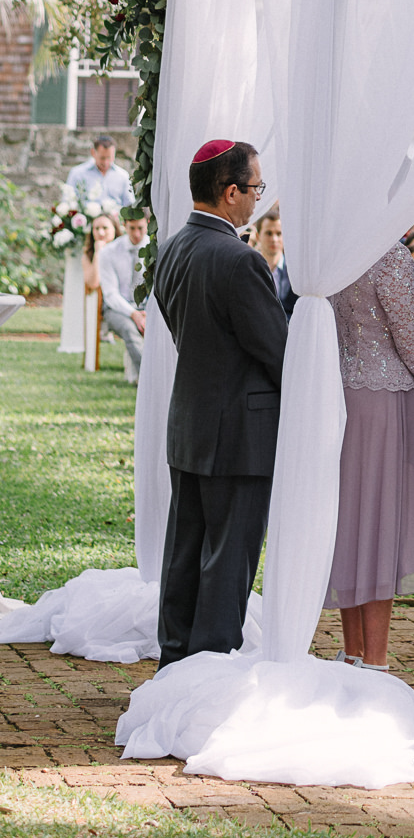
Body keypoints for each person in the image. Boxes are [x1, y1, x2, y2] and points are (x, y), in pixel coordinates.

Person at [151, 138, 287, 668]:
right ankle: (207, 670)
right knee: (229, 559)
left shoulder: (172, 248)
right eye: (254, 189)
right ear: (230, 193)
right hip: (242, 432)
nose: (257, 199)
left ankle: (174, 659)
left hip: (191, 422)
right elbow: (277, 351)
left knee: (185, 553)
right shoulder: (240, 261)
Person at [325, 242, 414, 670]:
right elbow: (411, 338)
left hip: (342, 395)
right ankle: (375, 659)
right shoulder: (388, 253)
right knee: (378, 521)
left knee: (351, 520)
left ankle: (354, 651)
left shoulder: (336, 248)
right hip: (386, 398)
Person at [96, 208, 149, 382]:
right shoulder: (109, 252)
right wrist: (133, 314)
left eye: (140, 228)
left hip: (147, 308)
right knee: (129, 329)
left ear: (147, 225)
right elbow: (110, 294)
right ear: (125, 226)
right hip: (117, 309)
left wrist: (146, 313)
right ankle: (148, 380)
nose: (136, 233)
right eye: (132, 228)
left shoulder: (154, 249)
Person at [249, 202, 296, 318]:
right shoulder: (250, 268)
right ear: (258, 236)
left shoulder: (294, 270)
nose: (274, 239)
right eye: (268, 233)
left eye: (279, 234)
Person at [65, 134, 134, 210]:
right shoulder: (77, 173)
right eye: (102, 158)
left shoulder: (123, 175)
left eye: (109, 158)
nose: (106, 162)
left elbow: (130, 204)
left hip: (116, 219)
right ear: (93, 153)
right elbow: (67, 201)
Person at [82, 209, 119, 292]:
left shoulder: (123, 250)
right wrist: (98, 253)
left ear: (114, 229)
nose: (101, 233)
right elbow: (93, 283)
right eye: (97, 228)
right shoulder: (87, 255)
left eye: (105, 228)